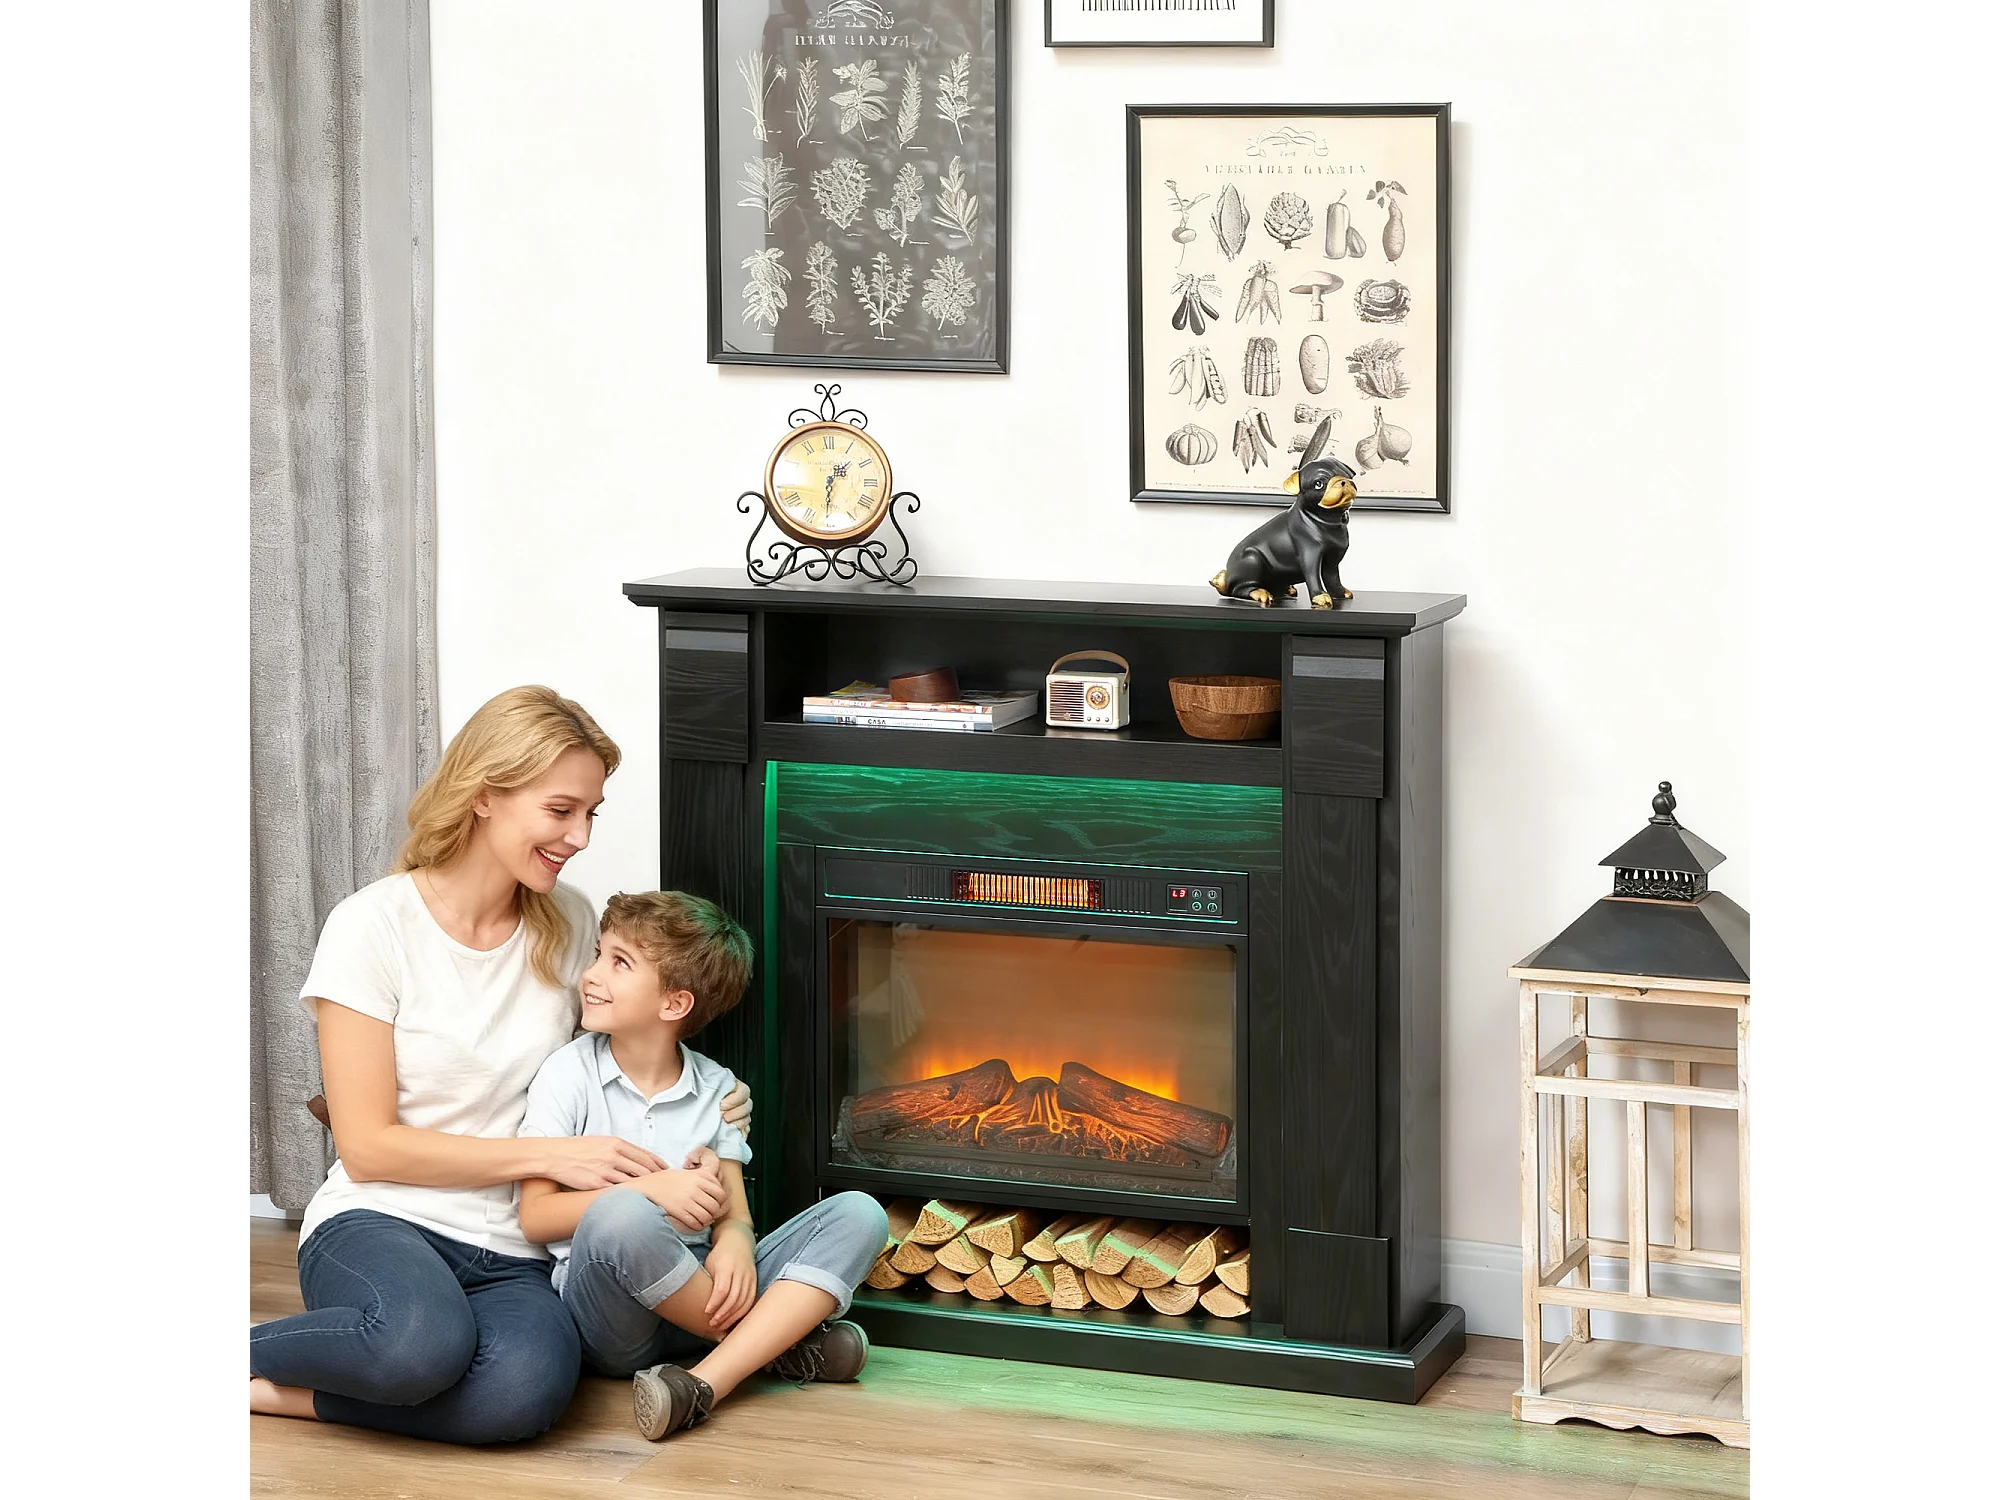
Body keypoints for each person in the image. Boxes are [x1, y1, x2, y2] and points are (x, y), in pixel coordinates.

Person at [248, 686, 754, 1445]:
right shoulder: (371, 927)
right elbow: (369, 1147)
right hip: (382, 1216)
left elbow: (629, 1043)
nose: (580, 836)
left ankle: (276, 1395)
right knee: (418, 1346)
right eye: (561, 810)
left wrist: (713, 1098)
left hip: (519, 1245)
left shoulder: (572, 921)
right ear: (484, 795)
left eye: (591, 813)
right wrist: (552, 1156)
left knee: (522, 1396)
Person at [516, 889, 889, 1442]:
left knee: (861, 1213)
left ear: (674, 1005)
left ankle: (704, 1382)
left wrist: (735, 1240)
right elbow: (535, 1217)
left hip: (707, 1286)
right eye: (599, 954)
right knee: (622, 1214)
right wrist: (651, 1189)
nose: (590, 975)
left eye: (619, 963)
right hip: (615, 1319)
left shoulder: (717, 1089)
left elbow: (734, 1214)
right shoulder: (567, 1075)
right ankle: (770, 1344)